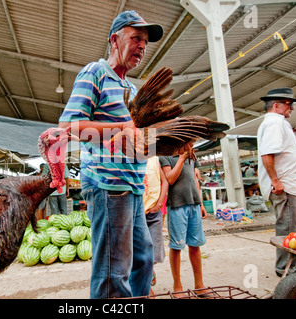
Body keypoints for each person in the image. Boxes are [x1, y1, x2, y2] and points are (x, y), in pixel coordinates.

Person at [58, 10, 163, 298]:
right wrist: (120, 129)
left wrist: (156, 141)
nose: (142, 46)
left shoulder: (132, 89)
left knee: (143, 260)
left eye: (145, 42)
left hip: (133, 186)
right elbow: (69, 127)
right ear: (115, 40)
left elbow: (143, 144)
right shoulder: (96, 73)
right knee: (113, 271)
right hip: (107, 186)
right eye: (136, 38)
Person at [256, 87, 296, 277]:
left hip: (287, 184)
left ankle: (291, 265)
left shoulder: (277, 123)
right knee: (291, 228)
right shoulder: (274, 123)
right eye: (289, 104)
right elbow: (267, 154)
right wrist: (275, 180)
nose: (291, 108)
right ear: (276, 105)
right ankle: (287, 268)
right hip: (284, 186)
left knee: (291, 226)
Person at [159, 150, 209, 295]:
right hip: (176, 205)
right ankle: (177, 286)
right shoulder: (165, 155)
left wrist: (201, 203)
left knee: (195, 245)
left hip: (193, 203)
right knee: (176, 246)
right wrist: (181, 159)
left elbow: (194, 178)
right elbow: (170, 179)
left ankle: (199, 285)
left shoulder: (191, 155)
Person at [143, 156, 168, 295]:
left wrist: (159, 203)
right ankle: (147, 288)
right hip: (137, 213)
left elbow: (165, 182)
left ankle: (149, 270)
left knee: (155, 252)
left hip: (153, 213)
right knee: (140, 252)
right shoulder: (130, 157)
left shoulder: (155, 159)